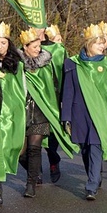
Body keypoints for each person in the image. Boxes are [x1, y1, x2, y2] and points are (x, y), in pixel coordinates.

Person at [61, 24, 107, 200]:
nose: (102, 47)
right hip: (80, 113)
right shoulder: (72, 64)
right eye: (98, 44)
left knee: (96, 146)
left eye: (103, 43)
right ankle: (95, 175)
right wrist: (66, 116)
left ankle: (91, 185)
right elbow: (68, 92)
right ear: (89, 44)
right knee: (85, 149)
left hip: (101, 113)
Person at [17, 27, 77, 198]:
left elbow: (53, 87)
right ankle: (34, 172)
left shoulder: (46, 64)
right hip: (22, 112)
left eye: (39, 46)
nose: (38, 49)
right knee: (20, 152)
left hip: (40, 113)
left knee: (35, 149)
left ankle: (31, 184)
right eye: (34, 46)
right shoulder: (17, 65)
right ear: (25, 47)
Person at [0, 22, 26, 213]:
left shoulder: (16, 64)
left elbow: (21, 90)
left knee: (3, 151)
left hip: (9, 115)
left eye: (3, 42)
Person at [39, 24, 67, 183]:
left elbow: (65, 74)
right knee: (33, 137)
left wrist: (64, 99)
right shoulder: (28, 48)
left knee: (52, 133)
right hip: (35, 98)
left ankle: (53, 161)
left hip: (54, 97)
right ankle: (35, 171)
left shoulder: (59, 50)